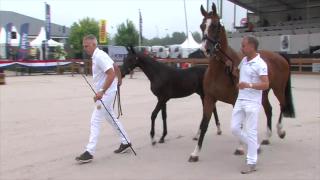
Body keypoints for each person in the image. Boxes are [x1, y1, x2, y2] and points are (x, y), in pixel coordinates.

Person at [76, 34, 131, 163]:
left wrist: (101, 91)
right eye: (84, 46)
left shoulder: (99, 56)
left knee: (95, 119)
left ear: (94, 45)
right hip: (109, 91)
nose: (85, 48)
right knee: (110, 117)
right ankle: (126, 141)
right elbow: (115, 67)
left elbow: (111, 73)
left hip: (106, 93)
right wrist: (120, 79)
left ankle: (89, 151)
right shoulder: (99, 55)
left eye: (87, 46)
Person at [231, 36, 269, 174]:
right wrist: (235, 71)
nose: (241, 48)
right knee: (234, 128)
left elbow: (266, 84)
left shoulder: (261, 64)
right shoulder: (244, 60)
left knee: (251, 131)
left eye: (243, 45)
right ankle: (255, 145)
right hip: (240, 100)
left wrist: (249, 85)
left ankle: (252, 162)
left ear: (252, 46)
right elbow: (238, 70)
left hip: (252, 102)